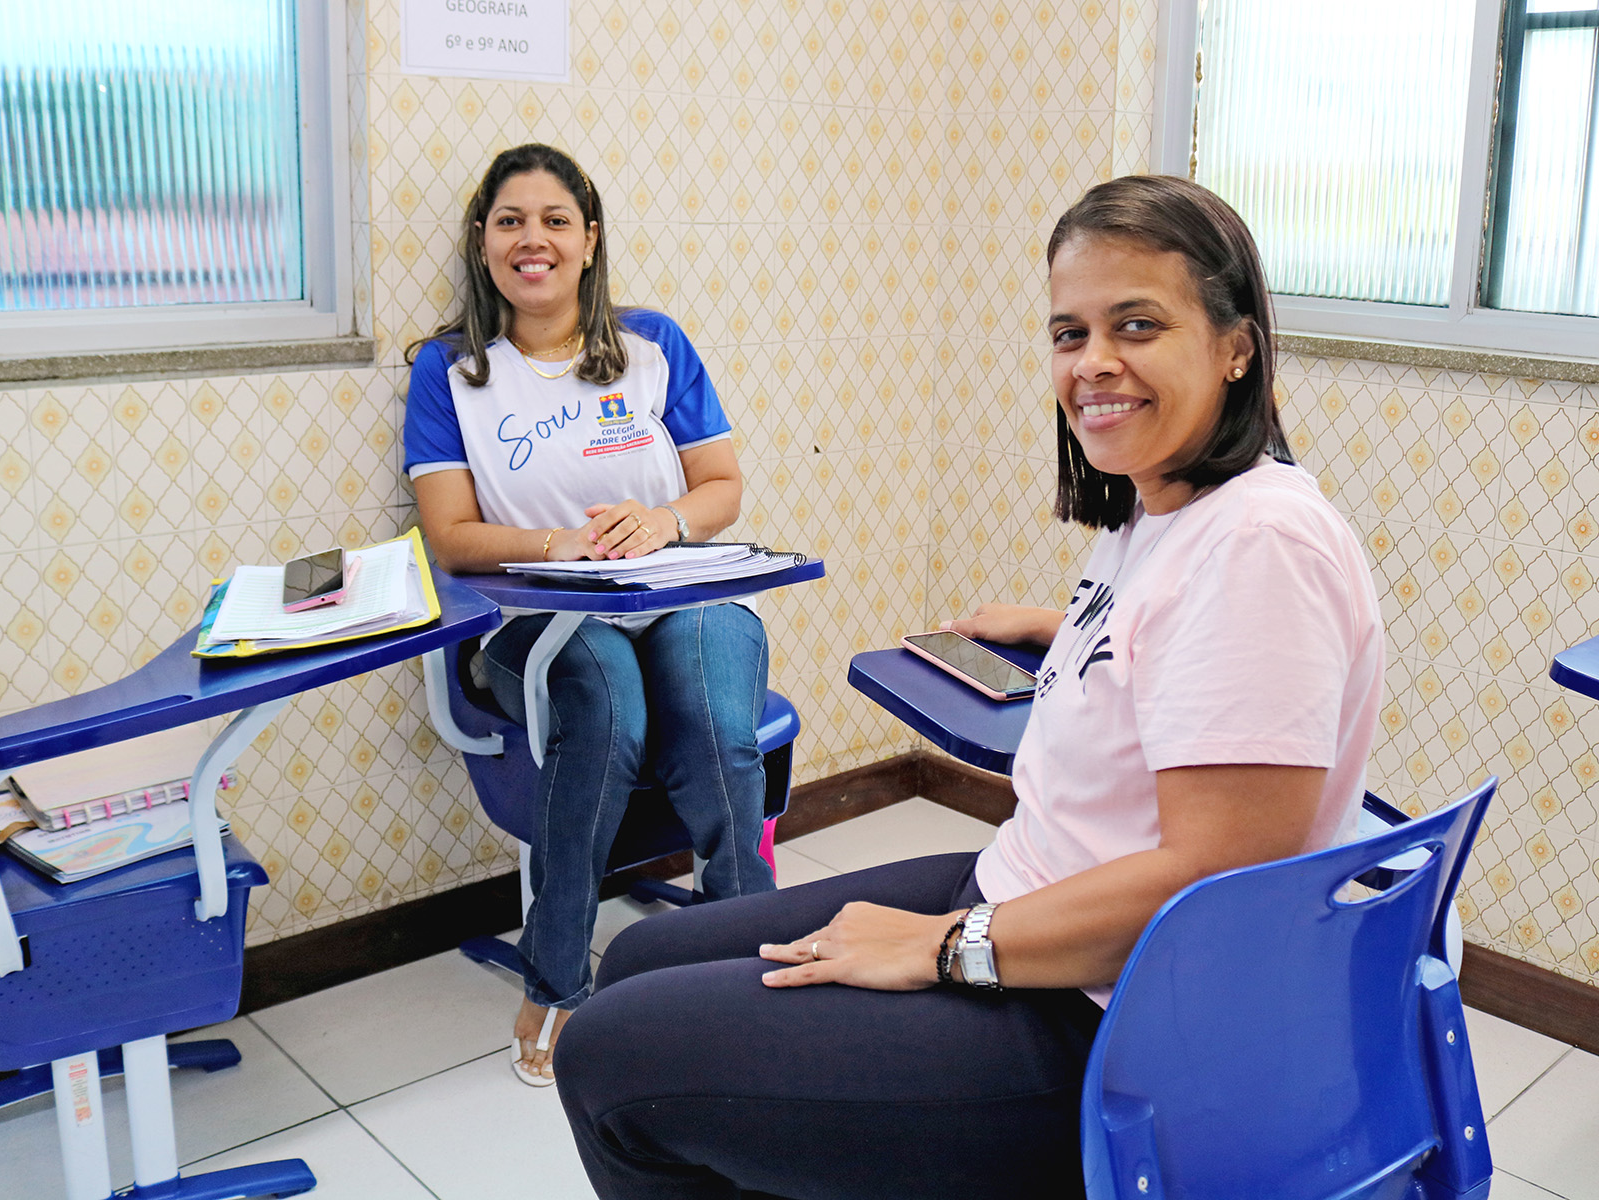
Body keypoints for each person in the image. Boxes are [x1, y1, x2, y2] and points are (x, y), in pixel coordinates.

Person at [552, 175, 1385, 1198]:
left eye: (1136, 324)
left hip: (1107, 1027)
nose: (1093, 364)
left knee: (608, 1054)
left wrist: (945, 948)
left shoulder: (1262, 543)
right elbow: (1182, 650)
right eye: (1068, 333)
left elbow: (1207, 881)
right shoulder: (1168, 511)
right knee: (643, 963)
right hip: (1033, 900)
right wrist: (1065, 625)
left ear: (1234, 345)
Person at [402, 143, 776, 1088]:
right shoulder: (450, 371)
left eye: (556, 220)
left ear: (590, 238)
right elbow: (450, 536)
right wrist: (559, 545)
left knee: (722, 731)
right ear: (483, 242)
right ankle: (558, 979)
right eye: (511, 221)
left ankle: (745, 966)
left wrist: (666, 522)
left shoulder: (654, 343)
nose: (535, 240)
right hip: (538, 613)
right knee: (605, 707)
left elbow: (722, 486)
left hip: (680, 585)